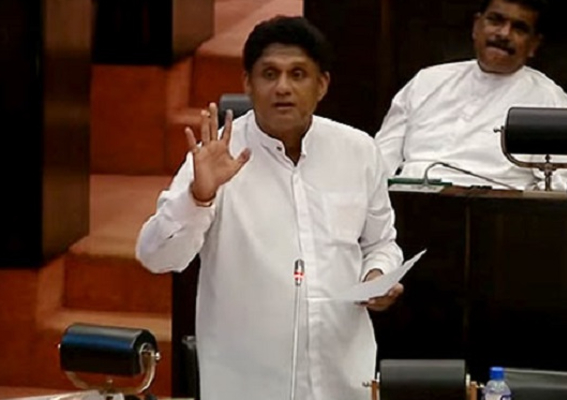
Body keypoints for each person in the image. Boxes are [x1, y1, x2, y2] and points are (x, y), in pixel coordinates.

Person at [136, 16, 404, 400]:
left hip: (343, 378)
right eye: (269, 74)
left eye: (298, 74)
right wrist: (199, 196)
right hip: (247, 383)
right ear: (248, 83)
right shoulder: (218, 156)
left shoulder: (358, 151)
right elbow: (155, 256)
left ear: (322, 85)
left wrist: (377, 274)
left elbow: (381, 243)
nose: (283, 88)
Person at [375, 0, 567, 190]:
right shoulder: (427, 81)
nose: (504, 34)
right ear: (476, 26)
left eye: (519, 28)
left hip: (493, 214)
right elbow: (380, 160)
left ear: (533, 45)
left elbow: (564, 188)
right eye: (496, 20)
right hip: (403, 207)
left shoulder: (549, 100)